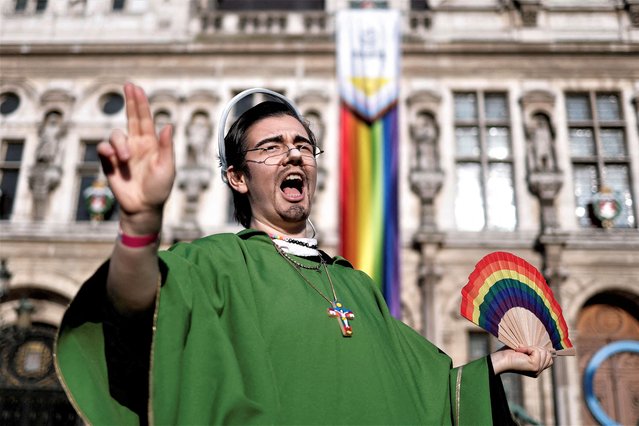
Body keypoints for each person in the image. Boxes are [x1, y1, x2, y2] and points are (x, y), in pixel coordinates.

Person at [55, 83, 554, 425]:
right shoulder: (215, 263)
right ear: (237, 177)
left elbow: (429, 391)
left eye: (303, 145)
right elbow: (135, 303)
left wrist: (500, 362)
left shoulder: (355, 283)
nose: (293, 154)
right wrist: (140, 225)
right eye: (270, 147)